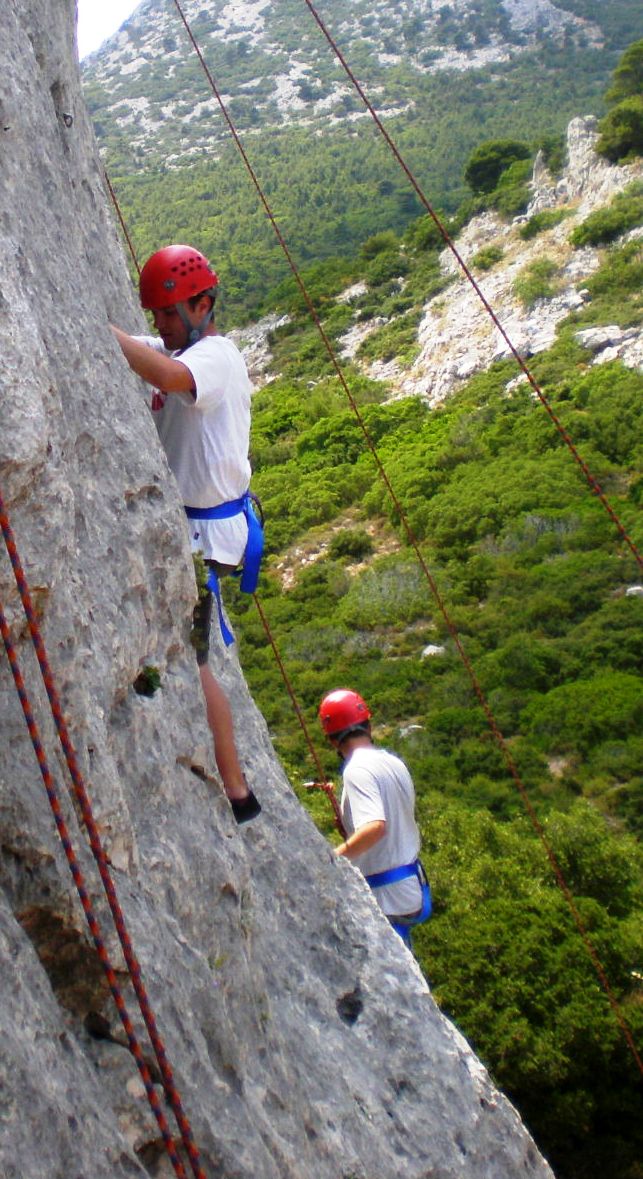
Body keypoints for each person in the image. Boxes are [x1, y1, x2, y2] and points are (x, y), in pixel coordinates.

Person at [112, 244, 261, 824]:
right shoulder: (179, 343)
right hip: (197, 528)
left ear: (203, 305)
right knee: (195, 653)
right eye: (157, 316)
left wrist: (116, 338)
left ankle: (237, 789)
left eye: (171, 314)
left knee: (198, 662)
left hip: (207, 536)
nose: (162, 326)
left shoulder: (216, 356)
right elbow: (147, 348)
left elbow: (172, 374)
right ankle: (237, 783)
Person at [318, 688, 431, 947]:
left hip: (386, 894)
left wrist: (333, 858)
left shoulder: (356, 770)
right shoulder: (393, 762)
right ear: (368, 726)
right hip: (410, 884)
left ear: (333, 740)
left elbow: (375, 827)